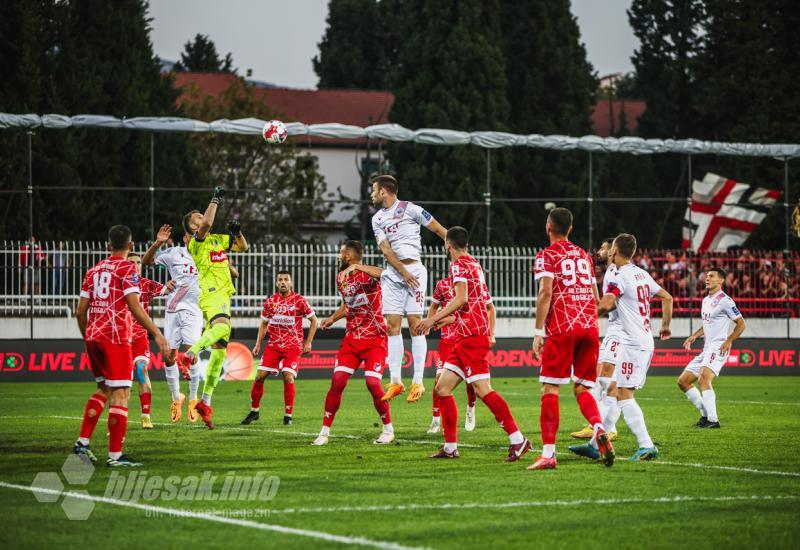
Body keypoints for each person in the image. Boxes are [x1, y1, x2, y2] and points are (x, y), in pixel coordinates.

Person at [417, 227, 530, 461]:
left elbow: (461, 299)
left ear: (447, 244)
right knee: (442, 388)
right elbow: (480, 303)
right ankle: (450, 447)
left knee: (482, 389)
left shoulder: (458, 265)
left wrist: (432, 319)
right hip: (467, 334)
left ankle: (517, 439)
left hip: (472, 336)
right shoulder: (474, 264)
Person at [72, 225, 168, 467]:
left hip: (93, 336)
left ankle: (82, 444)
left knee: (103, 388)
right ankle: (115, 456)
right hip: (115, 338)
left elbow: (80, 311)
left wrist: (88, 336)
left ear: (108, 245)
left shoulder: (93, 271)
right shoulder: (127, 268)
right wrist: (156, 333)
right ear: (131, 246)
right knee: (122, 393)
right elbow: (134, 305)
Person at [530, 209, 614, 470]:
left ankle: (548, 454)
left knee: (550, 389)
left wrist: (538, 331)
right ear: (571, 228)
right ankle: (599, 428)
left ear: (548, 227)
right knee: (583, 387)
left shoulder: (546, 256)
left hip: (562, 327)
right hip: (589, 325)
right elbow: (595, 294)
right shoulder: (583, 255)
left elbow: (545, 293)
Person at [595, 233, 673, 461]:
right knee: (614, 389)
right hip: (642, 339)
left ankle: (646, 444)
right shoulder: (642, 273)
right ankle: (596, 442)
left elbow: (608, 303)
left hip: (633, 343)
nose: (608, 252)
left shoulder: (620, 276)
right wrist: (665, 326)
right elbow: (667, 298)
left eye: (610, 249)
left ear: (615, 252)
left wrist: (587, 316)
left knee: (622, 393)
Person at [370, 175, 448, 403]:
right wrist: (401, 273)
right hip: (394, 276)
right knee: (392, 326)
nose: (372, 194)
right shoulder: (377, 219)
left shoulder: (411, 209)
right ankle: (396, 382)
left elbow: (439, 230)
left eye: (374, 190)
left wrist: (456, 251)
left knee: (416, 325)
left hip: (414, 272)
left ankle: (418, 382)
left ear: (384, 191)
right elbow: (385, 249)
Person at [177, 186, 248, 429]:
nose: (201, 218)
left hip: (223, 295)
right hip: (211, 293)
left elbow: (242, 248)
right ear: (193, 229)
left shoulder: (218, 240)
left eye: (201, 214)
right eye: (197, 217)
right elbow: (207, 224)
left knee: (219, 354)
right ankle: (189, 354)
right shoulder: (198, 243)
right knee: (221, 328)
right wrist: (215, 199)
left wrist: (237, 234)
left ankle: (205, 402)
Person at [312, 240, 394, 446]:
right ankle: (323, 432)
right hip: (351, 340)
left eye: (341, 253)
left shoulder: (367, 274)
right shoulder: (341, 277)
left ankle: (388, 429)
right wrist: (333, 317)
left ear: (348, 256)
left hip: (375, 338)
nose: (339, 256)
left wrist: (358, 267)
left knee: (373, 383)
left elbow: (386, 274)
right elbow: (348, 304)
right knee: (337, 382)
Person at [142, 224, 203, 424]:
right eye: (192, 234)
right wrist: (158, 242)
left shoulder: (206, 255)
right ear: (186, 238)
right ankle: (177, 399)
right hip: (172, 311)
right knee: (168, 356)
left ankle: (194, 399)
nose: (197, 236)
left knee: (192, 354)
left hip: (194, 311)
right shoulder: (173, 253)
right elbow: (147, 261)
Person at [242, 271, 318, 426]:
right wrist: (258, 344)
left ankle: (288, 415)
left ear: (290, 283)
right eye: (280, 280)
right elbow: (264, 324)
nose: (283, 282)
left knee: (288, 376)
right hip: (274, 345)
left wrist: (308, 342)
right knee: (259, 376)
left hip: (293, 345)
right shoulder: (270, 302)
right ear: (276, 283)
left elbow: (314, 321)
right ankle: (254, 411)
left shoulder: (299, 301)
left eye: (286, 280)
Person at [426, 275, 496, 434]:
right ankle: (436, 419)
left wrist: (491, 334)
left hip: (467, 338)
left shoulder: (474, 284)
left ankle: (471, 407)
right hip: (447, 340)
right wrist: (430, 323)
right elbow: (433, 307)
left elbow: (490, 308)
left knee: (472, 383)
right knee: (439, 381)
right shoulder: (442, 285)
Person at [678, 267, 746, 428]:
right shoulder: (706, 300)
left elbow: (741, 324)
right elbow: (707, 324)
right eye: (706, 276)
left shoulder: (725, 300)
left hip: (718, 347)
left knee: (704, 378)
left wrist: (729, 340)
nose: (707, 278)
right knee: (683, 381)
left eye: (711, 276)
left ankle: (713, 420)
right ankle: (705, 416)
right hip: (707, 348)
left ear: (721, 280)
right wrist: (694, 335)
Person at [572, 237, 620, 441]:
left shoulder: (616, 272)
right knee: (598, 378)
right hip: (614, 330)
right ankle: (598, 423)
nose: (599, 251)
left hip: (622, 332)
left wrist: (586, 315)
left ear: (612, 251)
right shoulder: (611, 272)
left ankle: (608, 427)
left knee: (604, 379)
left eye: (603, 247)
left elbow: (612, 302)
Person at [127, 254, 173, 429]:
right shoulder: (117, 285)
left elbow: (166, 290)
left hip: (139, 337)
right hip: (121, 339)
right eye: (132, 262)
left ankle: (145, 415)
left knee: (141, 369)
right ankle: (116, 418)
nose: (137, 265)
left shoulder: (145, 284)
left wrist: (169, 285)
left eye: (139, 263)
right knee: (121, 383)